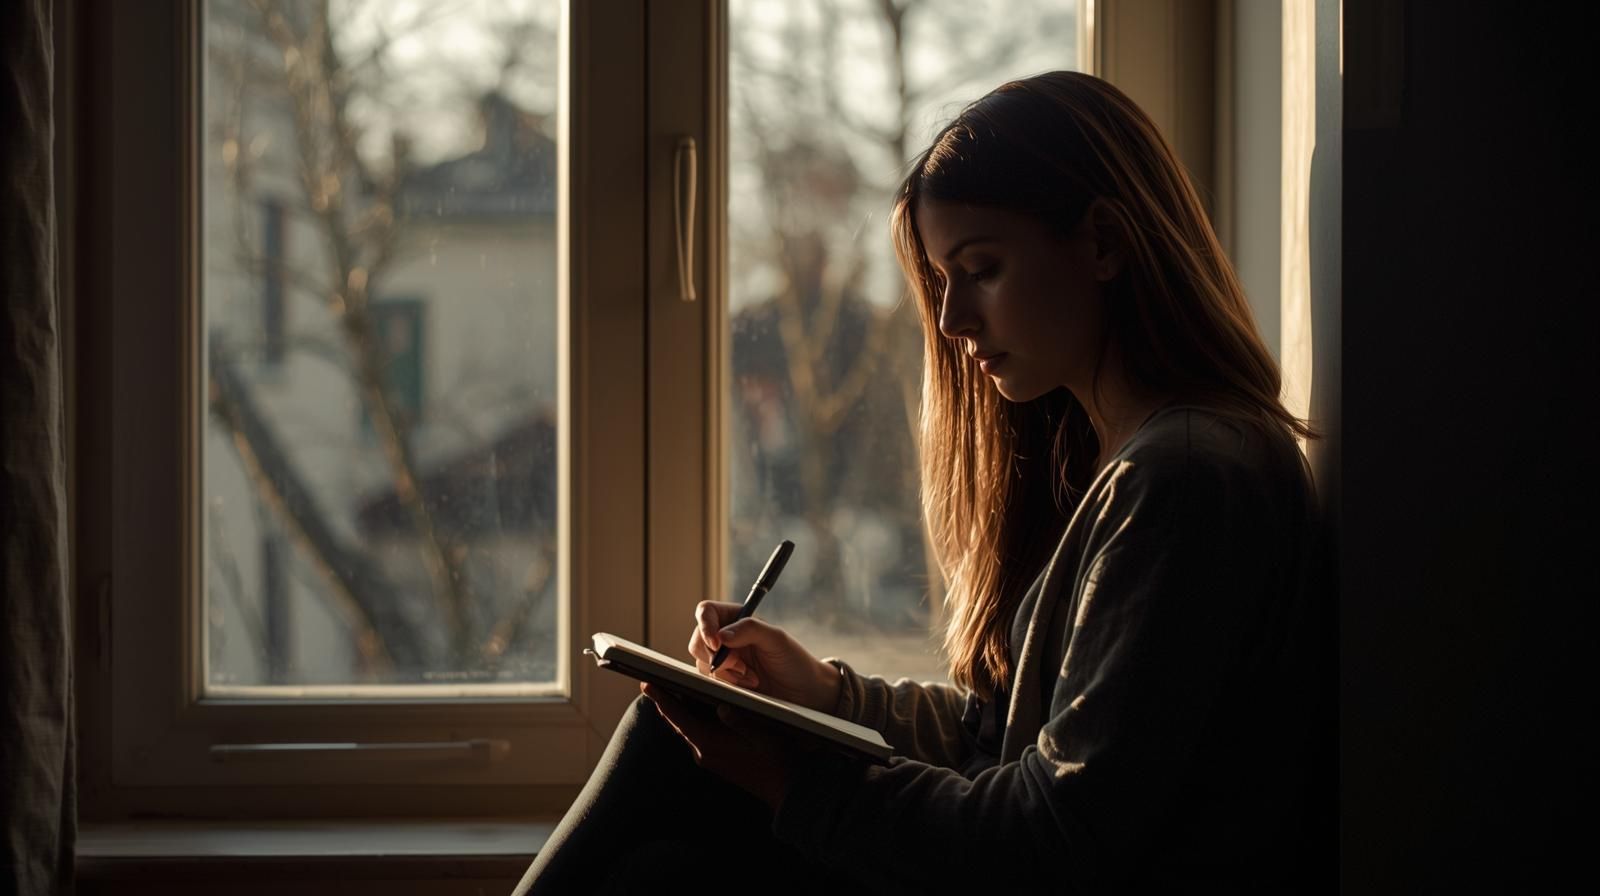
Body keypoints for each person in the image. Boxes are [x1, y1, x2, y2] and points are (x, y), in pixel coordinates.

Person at [511, 69, 1329, 894]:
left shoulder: (1184, 482)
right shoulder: (1137, 463)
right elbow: (1003, 742)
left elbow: (1053, 835)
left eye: (982, 269)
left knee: (669, 784)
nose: (952, 320)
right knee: (669, 840)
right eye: (943, 281)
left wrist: (790, 779)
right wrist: (826, 693)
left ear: (1107, 243)